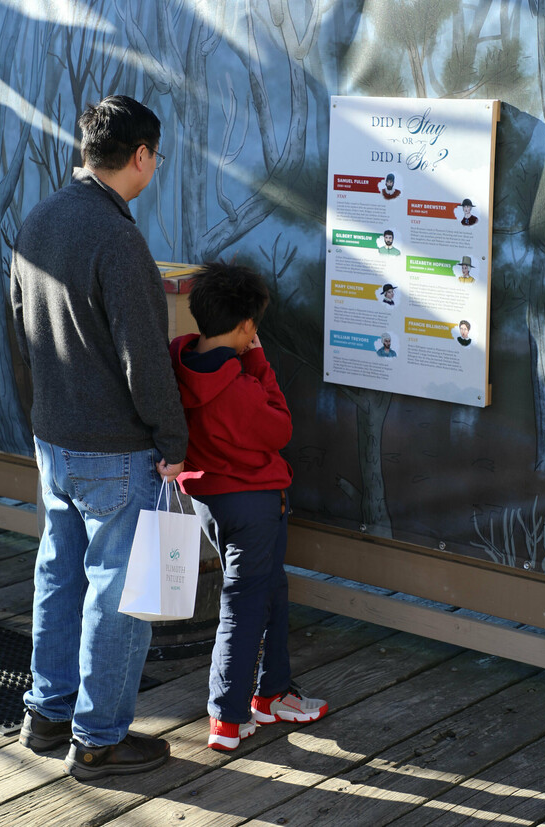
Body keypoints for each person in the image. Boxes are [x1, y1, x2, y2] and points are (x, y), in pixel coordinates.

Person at [11, 95, 188, 781]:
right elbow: (145, 357)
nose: (155, 167)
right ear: (140, 156)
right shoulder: (118, 239)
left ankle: (47, 713)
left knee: (59, 572)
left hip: (53, 438)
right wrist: (173, 438)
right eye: (156, 157)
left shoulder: (39, 218)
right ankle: (98, 741)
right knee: (117, 591)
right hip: (115, 448)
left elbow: (21, 320)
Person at [169, 261, 328, 752]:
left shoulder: (176, 363)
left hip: (209, 500)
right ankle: (228, 716)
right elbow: (279, 427)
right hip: (254, 505)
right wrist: (258, 362)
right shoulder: (239, 384)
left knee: (267, 589)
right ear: (245, 326)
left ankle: (272, 692)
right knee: (242, 603)